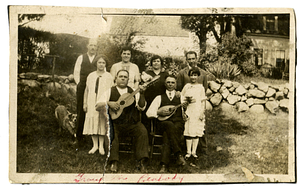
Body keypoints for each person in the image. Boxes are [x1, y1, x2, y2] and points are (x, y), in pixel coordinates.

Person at [96, 70, 149, 173]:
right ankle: (113, 161)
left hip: (132, 123)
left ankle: (141, 161)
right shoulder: (109, 91)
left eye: (125, 77)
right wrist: (108, 103)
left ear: (128, 80)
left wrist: (142, 94)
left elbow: (142, 107)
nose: (123, 78)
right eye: (121, 76)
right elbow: (97, 106)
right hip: (116, 123)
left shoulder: (134, 91)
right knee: (111, 132)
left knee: (142, 131)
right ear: (116, 78)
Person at [146, 75, 187, 173]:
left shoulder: (181, 97)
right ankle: (178, 154)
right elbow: (149, 113)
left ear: (176, 84)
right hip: (162, 123)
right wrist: (158, 113)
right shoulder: (159, 97)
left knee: (167, 135)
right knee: (168, 125)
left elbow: (187, 111)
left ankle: (164, 165)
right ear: (165, 84)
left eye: (173, 82)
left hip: (177, 123)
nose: (170, 84)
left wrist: (186, 112)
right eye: (168, 82)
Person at [82, 55, 113, 155]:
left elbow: (111, 91)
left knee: (102, 122)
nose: (101, 64)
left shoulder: (108, 76)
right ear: (96, 63)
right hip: (91, 101)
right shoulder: (91, 75)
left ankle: (101, 146)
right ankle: (94, 145)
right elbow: (86, 90)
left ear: (105, 64)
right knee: (92, 121)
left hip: (102, 101)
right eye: (99, 62)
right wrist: (85, 103)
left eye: (103, 63)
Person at [73, 38, 98, 146]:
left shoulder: (99, 59)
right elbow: (76, 72)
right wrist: (80, 84)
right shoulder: (81, 57)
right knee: (81, 110)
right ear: (87, 46)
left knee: (94, 110)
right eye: (91, 45)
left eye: (95, 46)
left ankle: (94, 138)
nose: (93, 47)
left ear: (97, 47)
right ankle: (79, 137)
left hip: (96, 87)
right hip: (83, 86)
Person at [181, 68, 206, 160]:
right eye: (191, 75)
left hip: (197, 110)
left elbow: (203, 101)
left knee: (196, 131)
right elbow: (182, 97)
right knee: (189, 130)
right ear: (189, 76)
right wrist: (185, 104)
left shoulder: (200, 87)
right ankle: (188, 152)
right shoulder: (187, 86)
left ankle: (194, 152)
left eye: (195, 75)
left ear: (198, 76)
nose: (193, 77)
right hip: (189, 110)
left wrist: (202, 112)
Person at [141, 55, 168, 132]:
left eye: (158, 61)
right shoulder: (147, 73)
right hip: (149, 98)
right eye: (154, 61)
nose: (156, 63)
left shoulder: (165, 74)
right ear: (151, 63)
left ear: (161, 63)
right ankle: (148, 138)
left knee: (159, 118)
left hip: (161, 100)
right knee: (147, 118)